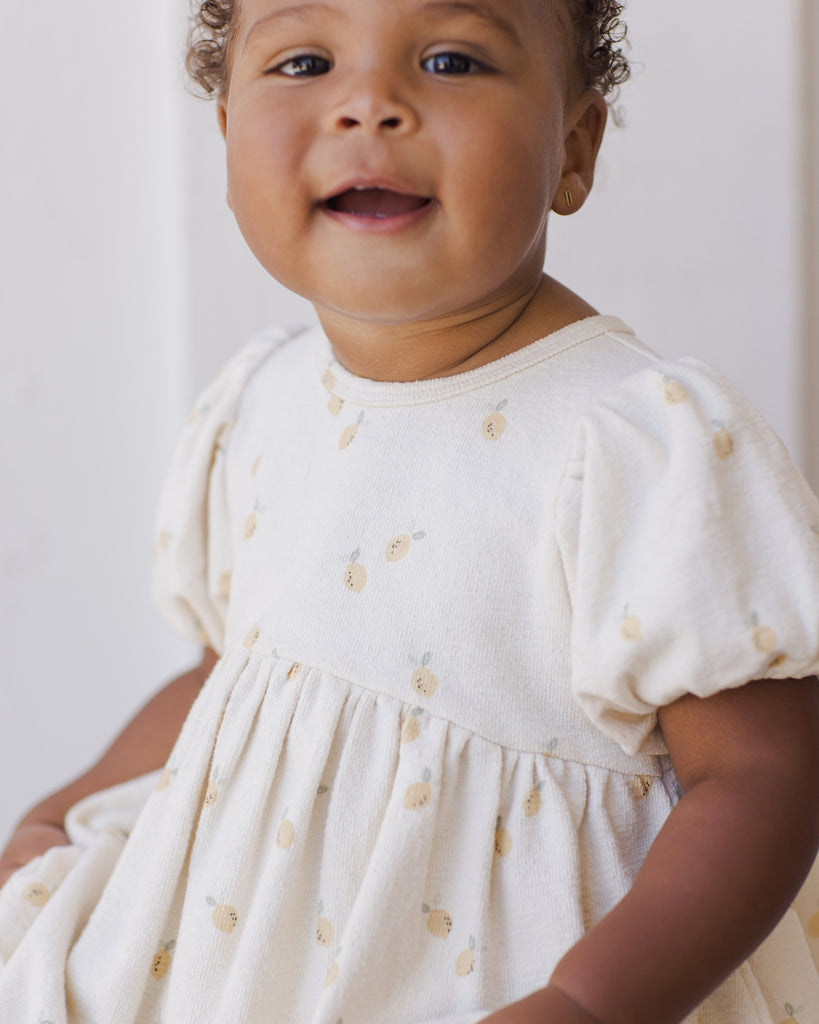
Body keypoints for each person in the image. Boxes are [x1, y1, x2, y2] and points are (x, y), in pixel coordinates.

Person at [3, 0, 819, 1021]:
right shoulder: (262, 401)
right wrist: (62, 806)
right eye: (305, 61)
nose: (369, 105)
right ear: (225, 132)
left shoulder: (631, 444)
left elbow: (761, 774)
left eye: (451, 60)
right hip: (256, 971)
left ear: (573, 147)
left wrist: (589, 1001)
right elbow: (229, 678)